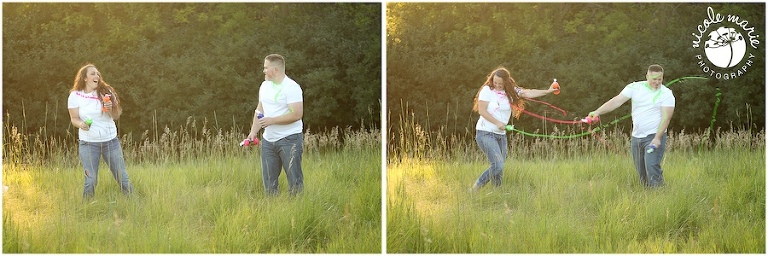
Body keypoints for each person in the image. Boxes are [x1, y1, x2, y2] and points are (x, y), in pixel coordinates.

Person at [470, 67, 557, 192]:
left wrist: (548, 91)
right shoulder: (487, 90)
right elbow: (482, 110)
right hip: (485, 133)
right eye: (495, 82)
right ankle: (475, 188)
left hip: (501, 135)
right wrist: (497, 122)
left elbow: (528, 93)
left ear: (506, 82)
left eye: (501, 83)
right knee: (498, 165)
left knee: (499, 167)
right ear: (492, 80)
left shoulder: (510, 92)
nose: (498, 85)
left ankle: (497, 193)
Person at [588, 64, 674, 188]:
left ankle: (661, 195)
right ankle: (647, 197)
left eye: (659, 79)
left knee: (652, 167)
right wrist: (597, 112)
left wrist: (657, 138)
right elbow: (616, 101)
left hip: (653, 137)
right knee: (641, 172)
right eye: (654, 79)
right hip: (636, 137)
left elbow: (666, 118)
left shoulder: (666, 94)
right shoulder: (635, 88)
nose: (657, 82)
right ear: (647, 76)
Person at [67, 64, 133, 199]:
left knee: (122, 177)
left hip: (111, 143)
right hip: (88, 144)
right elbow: (74, 118)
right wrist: (81, 124)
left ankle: (134, 203)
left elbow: (116, 116)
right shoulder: (75, 95)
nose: (96, 76)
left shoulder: (106, 92)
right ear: (84, 78)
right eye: (92, 74)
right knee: (90, 180)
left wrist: (110, 108)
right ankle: (86, 209)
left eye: (97, 74)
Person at [247, 54, 305, 196]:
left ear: (276, 70)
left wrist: (272, 120)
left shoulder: (292, 87)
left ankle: (297, 212)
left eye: (266, 68)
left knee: (294, 180)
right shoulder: (265, 86)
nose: (264, 71)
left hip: (289, 140)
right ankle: (272, 209)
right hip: (268, 142)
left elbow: (296, 114)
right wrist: (253, 132)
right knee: (269, 181)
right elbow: (259, 109)